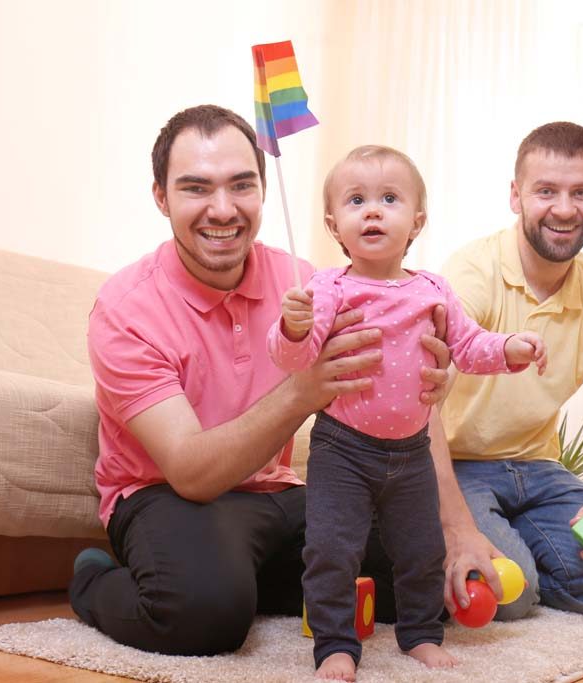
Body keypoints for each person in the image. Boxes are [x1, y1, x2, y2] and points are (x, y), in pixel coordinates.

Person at [68, 106, 453, 657]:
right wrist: (304, 389)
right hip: (165, 495)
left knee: (422, 577)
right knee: (203, 615)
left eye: (240, 185)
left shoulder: (306, 282)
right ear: (161, 197)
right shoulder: (126, 308)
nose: (222, 209)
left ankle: (248, 579)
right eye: (196, 188)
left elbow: (403, 399)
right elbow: (192, 473)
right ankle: (93, 578)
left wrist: (432, 384)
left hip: (276, 494)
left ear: (263, 190)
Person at [267, 145, 546, 679]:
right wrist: (295, 325)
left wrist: (511, 348)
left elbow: (468, 346)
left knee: (421, 551)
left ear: (416, 221)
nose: (372, 211)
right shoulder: (327, 288)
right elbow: (294, 360)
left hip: (413, 452)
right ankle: (334, 644)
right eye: (356, 200)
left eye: (388, 199)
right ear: (334, 225)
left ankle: (419, 634)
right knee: (331, 551)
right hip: (341, 448)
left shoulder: (433, 289)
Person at [436, 121, 583, 623]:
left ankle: (522, 551)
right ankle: (494, 557)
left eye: (581, 193)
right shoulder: (471, 272)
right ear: (516, 196)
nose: (564, 209)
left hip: (539, 471)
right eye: (546, 191)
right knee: (511, 592)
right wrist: (456, 526)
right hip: (457, 465)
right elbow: (421, 403)